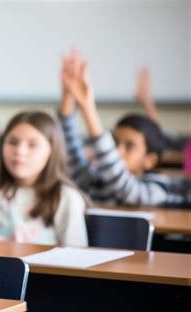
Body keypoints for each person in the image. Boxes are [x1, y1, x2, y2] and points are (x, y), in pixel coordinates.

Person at [58, 51, 190, 207]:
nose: (118, 151)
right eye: (114, 142)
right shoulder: (97, 181)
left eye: (130, 146)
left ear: (150, 160)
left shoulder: (157, 189)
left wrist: (87, 107)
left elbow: (123, 187)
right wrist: (69, 96)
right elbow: (72, 153)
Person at [0, 111, 88, 246]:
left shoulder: (65, 197)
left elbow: (76, 254)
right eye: (12, 142)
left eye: (32, 145)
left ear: (52, 151)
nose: (20, 151)